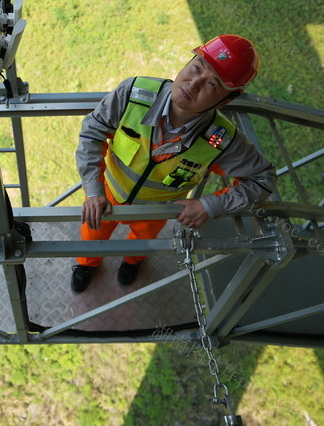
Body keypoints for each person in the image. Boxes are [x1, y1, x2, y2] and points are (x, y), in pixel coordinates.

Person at [71, 34, 277, 293]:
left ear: (225, 101)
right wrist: (93, 189)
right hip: (106, 198)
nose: (194, 83)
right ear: (188, 62)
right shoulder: (134, 94)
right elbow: (93, 131)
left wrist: (209, 205)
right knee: (92, 235)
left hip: (156, 211)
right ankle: (86, 264)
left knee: (143, 242)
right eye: (197, 67)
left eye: (212, 84)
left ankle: (132, 261)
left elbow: (263, 178)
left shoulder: (221, 141)